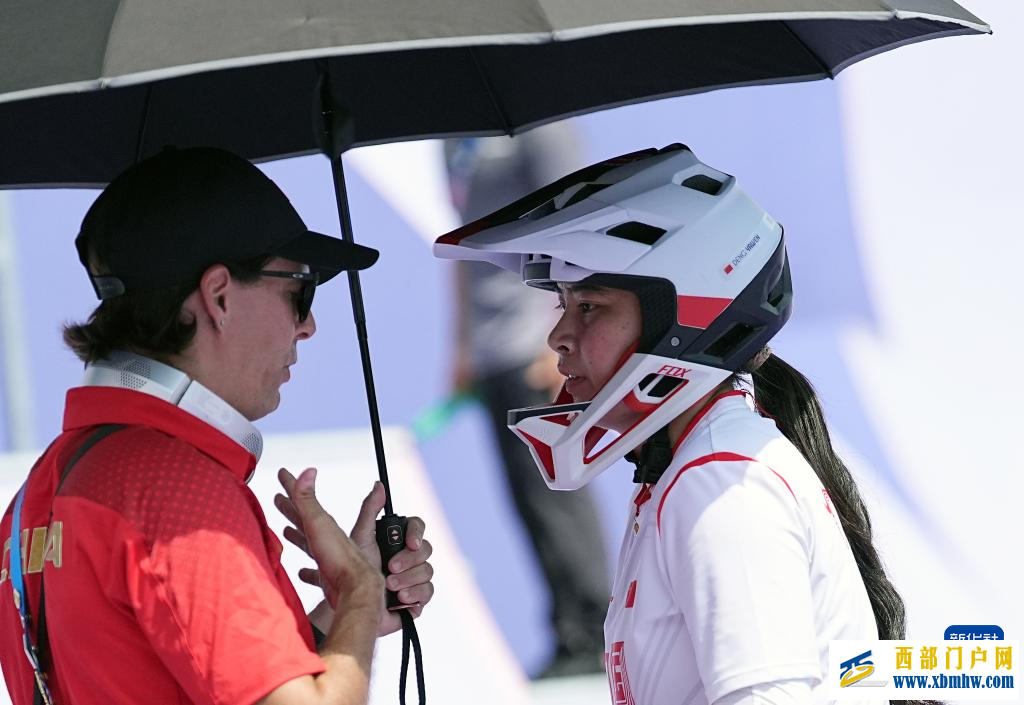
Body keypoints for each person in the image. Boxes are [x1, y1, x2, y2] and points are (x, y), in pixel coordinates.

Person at [435, 144, 912, 704]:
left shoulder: (721, 485)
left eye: (589, 306)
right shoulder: (698, 465)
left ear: (682, 315)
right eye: (562, 304)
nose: (557, 336)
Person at [0, 147, 435, 705]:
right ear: (219, 297)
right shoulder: (171, 487)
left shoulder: (42, 490)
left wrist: (348, 618)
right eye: (300, 289)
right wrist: (358, 592)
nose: (308, 325)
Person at [445, 128, 609, 678]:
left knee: (555, 491)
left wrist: (559, 333)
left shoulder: (538, 126)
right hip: (493, 352)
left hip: (535, 345)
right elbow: (461, 249)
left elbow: (577, 226)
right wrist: (462, 347)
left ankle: (593, 627)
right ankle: (570, 629)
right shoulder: (450, 137)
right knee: (526, 496)